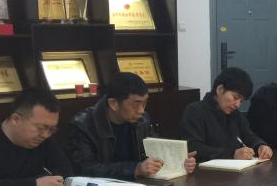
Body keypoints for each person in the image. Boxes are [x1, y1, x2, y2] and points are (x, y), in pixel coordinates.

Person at [67, 72, 197, 179]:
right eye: (136, 104)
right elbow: (85, 169)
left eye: (144, 103)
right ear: (113, 104)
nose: (141, 110)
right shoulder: (83, 124)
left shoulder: (142, 120)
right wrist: (135, 169)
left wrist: (178, 162)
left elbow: (154, 152)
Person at [0, 88, 72, 186]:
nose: (45, 135)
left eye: (51, 129)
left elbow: (65, 170)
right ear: (15, 119)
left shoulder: (43, 139)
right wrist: (34, 185)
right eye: (41, 128)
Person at [179, 67, 272, 162]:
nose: (237, 105)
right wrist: (232, 154)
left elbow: (248, 136)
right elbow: (193, 148)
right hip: (204, 170)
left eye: (241, 101)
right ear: (220, 89)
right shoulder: (195, 111)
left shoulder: (235, 115)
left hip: (236, 169)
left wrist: (260, 146)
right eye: (235, 97)